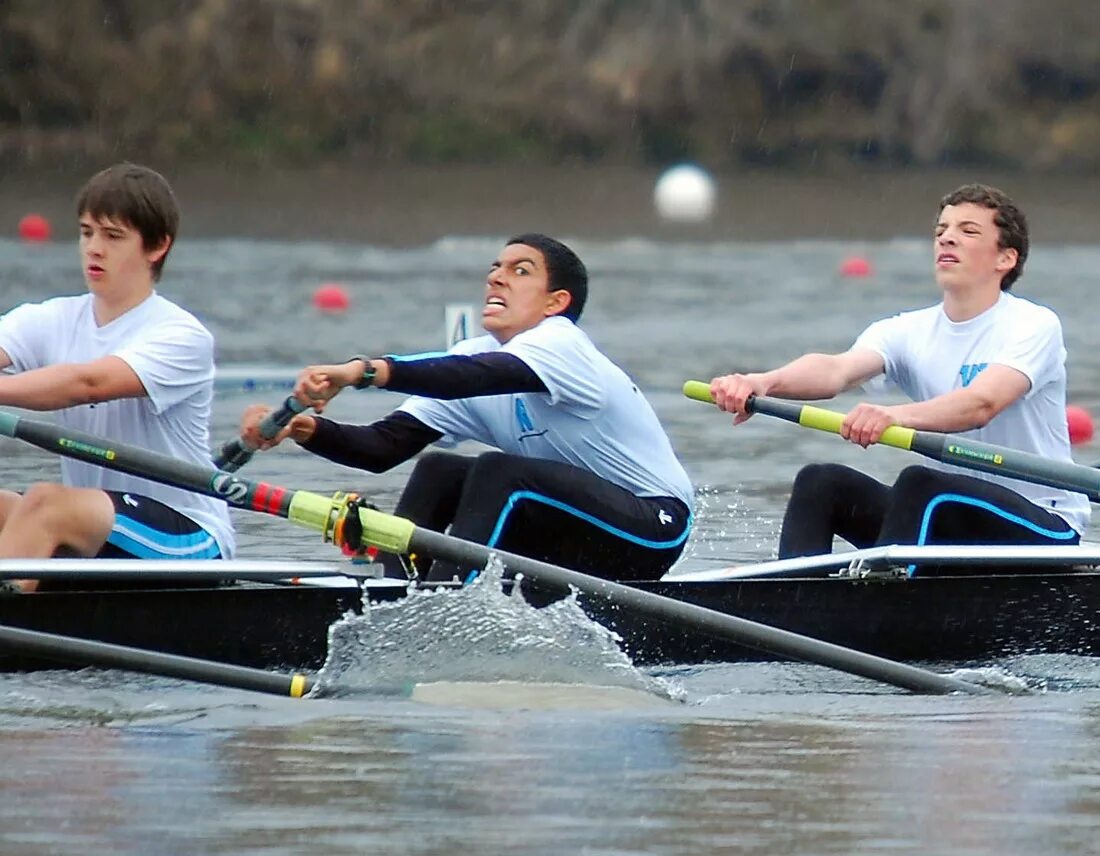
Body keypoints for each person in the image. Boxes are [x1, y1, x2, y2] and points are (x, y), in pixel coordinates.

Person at [241, 233, 693, 582]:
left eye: (520, 271)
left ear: (556, 303)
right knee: (439, 469)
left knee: (500, 471)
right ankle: (394, 595)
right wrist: (304, 430)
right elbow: (381, 447)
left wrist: (362, 371)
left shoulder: (562, 345)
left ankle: (447, 604)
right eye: (495, 268)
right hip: (570, 528)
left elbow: (470, 375)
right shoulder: (476, 357)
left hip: (651, 527)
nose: (495, 277)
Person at [709, 183, 1090, 564]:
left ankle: (884, 602)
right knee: (820, 481)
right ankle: (790, 599)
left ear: (1005, 258)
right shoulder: (907, 331)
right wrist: (763, 382)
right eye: (942, 231)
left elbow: (982, 403)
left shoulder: (1033, 324)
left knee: (920, 484)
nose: (948, 239)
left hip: (1042, 524)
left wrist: (892, 415)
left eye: (968, 231)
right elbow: (835, 371)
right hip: (949, 517)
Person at [0, 163, 235, 589]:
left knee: (46, 503)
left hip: (188, 538)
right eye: (87, 232)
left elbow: (87, 384)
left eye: (113, 236)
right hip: (104, 531)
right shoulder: (52, 318)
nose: (94, 248)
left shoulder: (180, 335)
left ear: (157, 246)